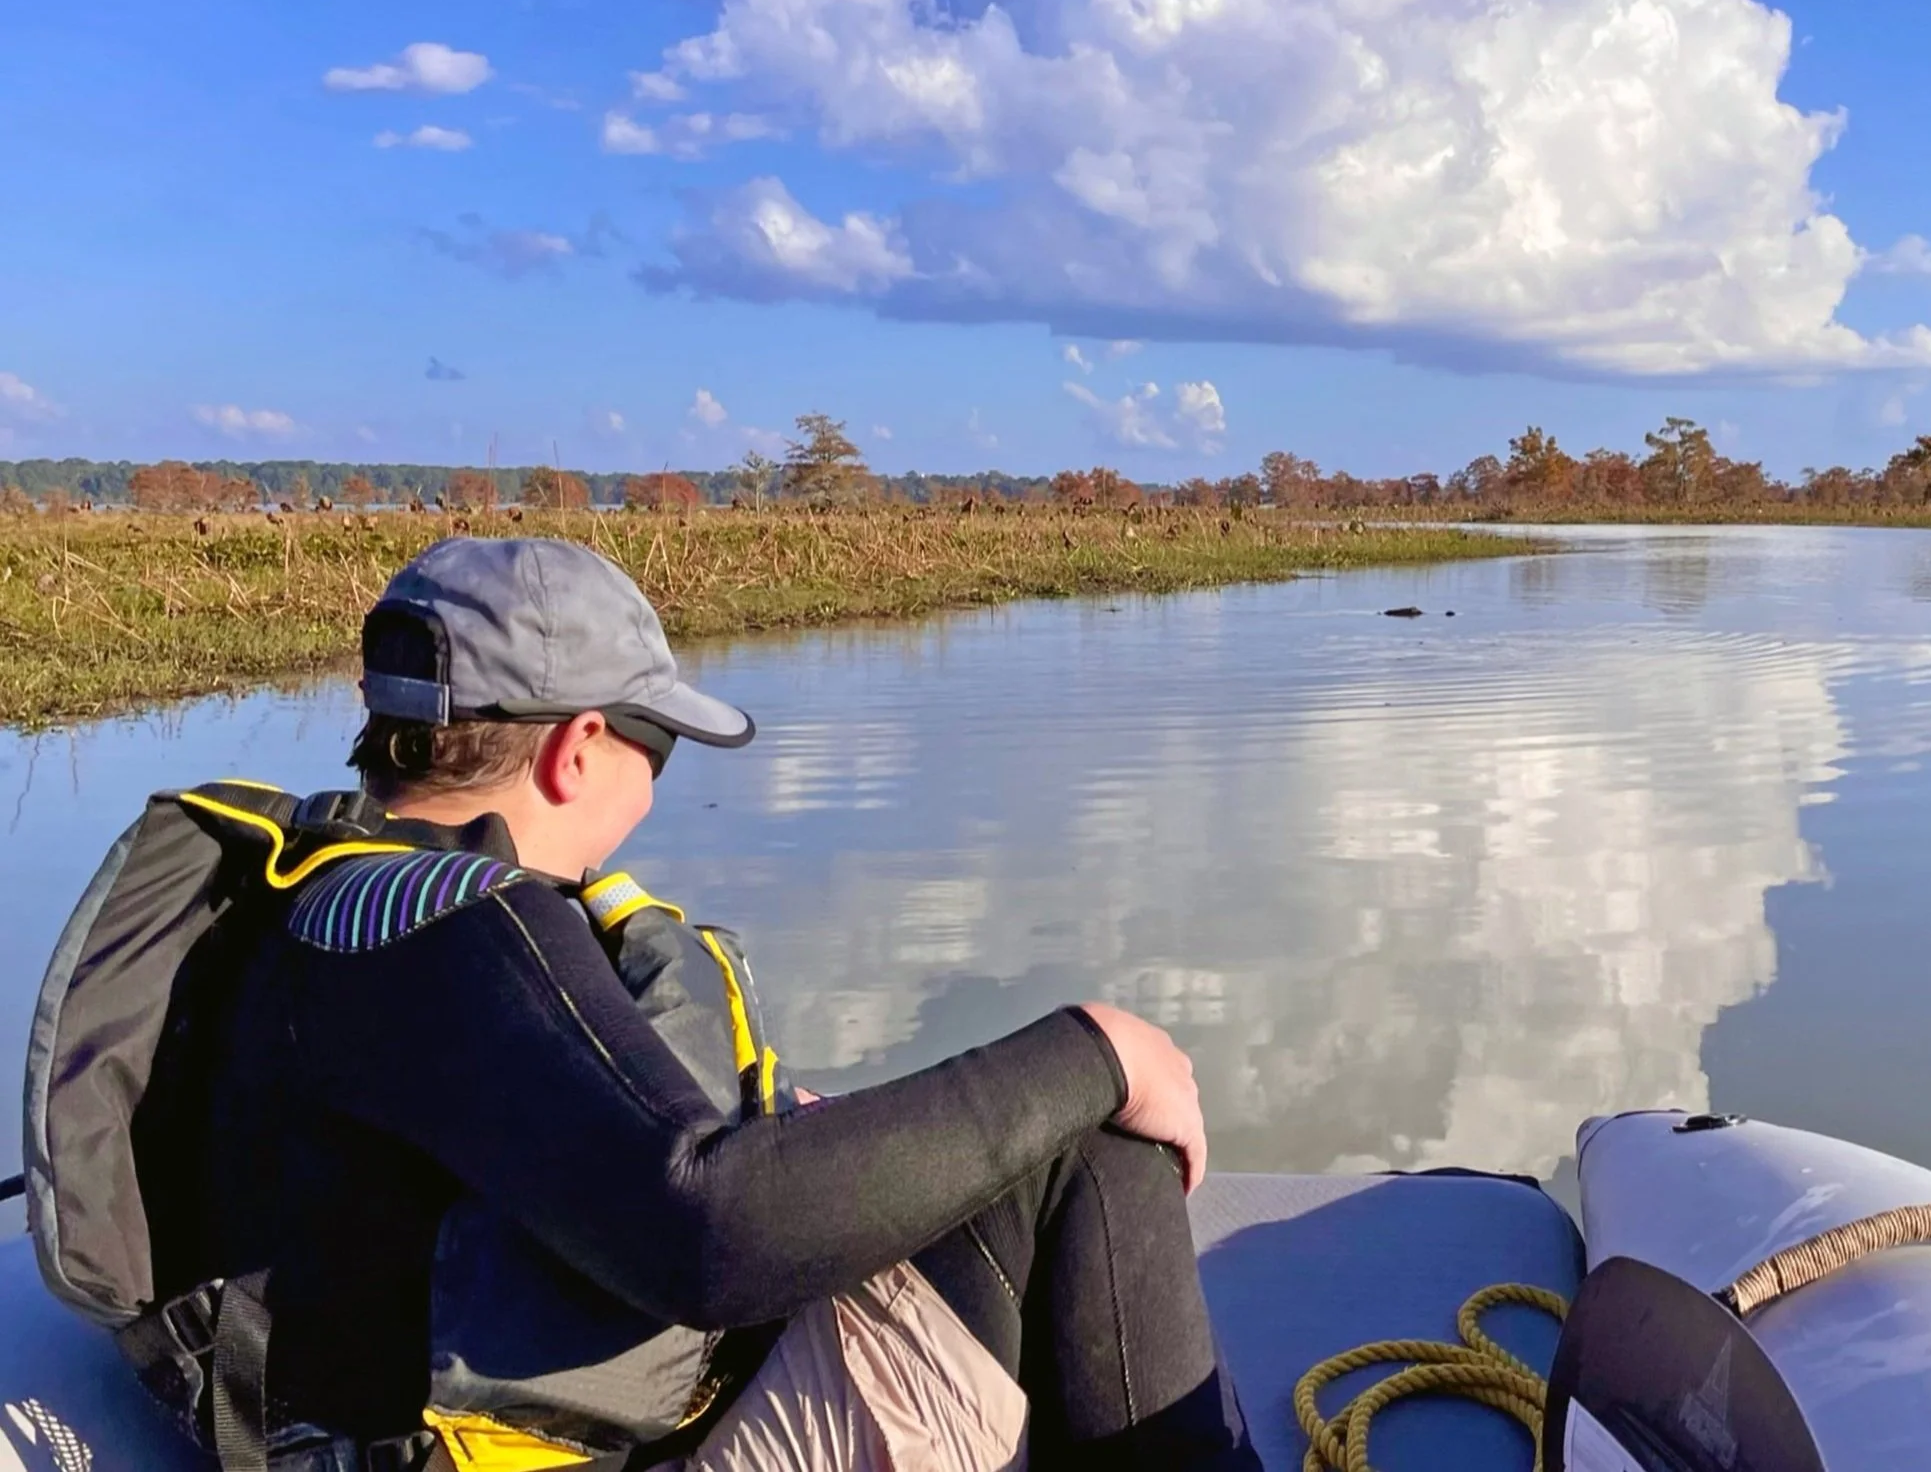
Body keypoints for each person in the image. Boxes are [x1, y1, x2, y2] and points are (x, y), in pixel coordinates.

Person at [204, 536, 1260, 1472]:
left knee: (973, 1155)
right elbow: (708, 1235)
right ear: (577, 749)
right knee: (1087, 1145)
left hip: (403, 1427)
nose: (654, 781)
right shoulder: (476, 924)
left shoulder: (343, 898)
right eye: (657, 745)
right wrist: (1097, 1051)